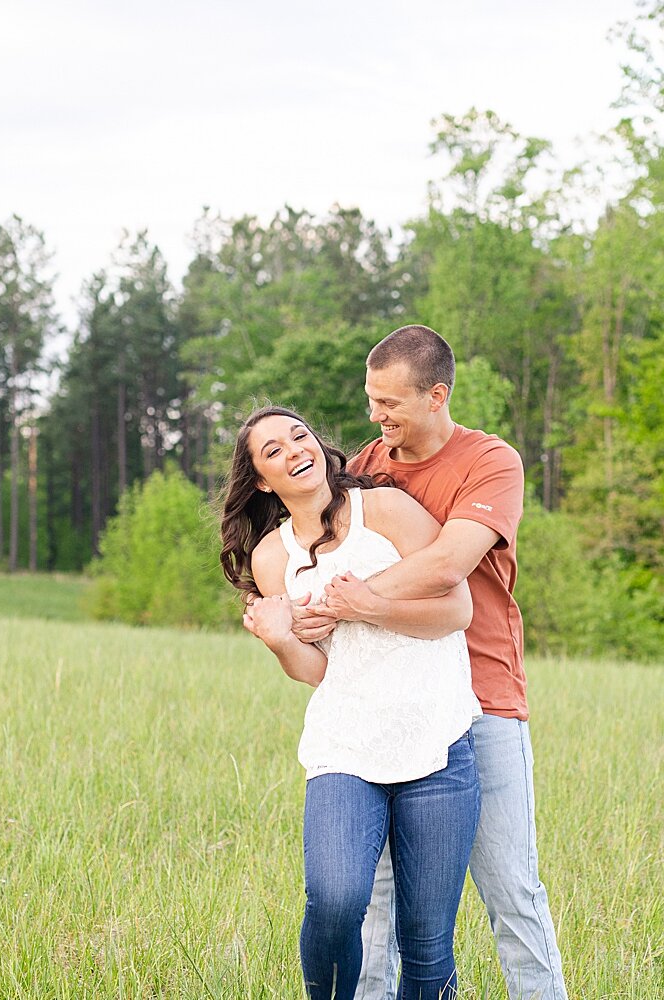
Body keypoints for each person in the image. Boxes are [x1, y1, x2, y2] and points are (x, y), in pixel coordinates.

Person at [292, 326, 569, 1000]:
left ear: (436, 395)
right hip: (395, 704)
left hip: (484, 699)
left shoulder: (491, 462)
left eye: (389, 403)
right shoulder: (366, 465)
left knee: (510, 888)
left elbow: (450, 563)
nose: (375, 416)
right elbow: (306, 538)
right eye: (370, 400)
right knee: (378, 904)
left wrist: (352, 602)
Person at [219, 404, 483, 1000]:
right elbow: (318, 669)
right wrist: (281, 638)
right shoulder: (272, 558)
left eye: (299, 435)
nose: (294, 450)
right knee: (336, 900)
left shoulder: (385, 508)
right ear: (262, 479)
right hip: (346, 745)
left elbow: (456, 610)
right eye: (274, 451)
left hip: (435, 739)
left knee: (426, 938)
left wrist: (368, 606)